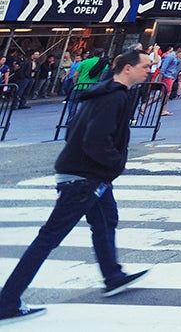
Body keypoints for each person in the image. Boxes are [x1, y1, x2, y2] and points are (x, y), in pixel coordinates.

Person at [0, 49, 151, 321]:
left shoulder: (101, 93)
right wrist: (116, 164)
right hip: (84, 178)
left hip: (88, 174)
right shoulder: (114, 97)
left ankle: (113, 276)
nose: (149, 70)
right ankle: (7, 301)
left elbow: (73, 131)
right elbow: (95, 140)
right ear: (127, 68)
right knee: (49, 238)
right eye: (145, 66)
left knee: (106, 221)